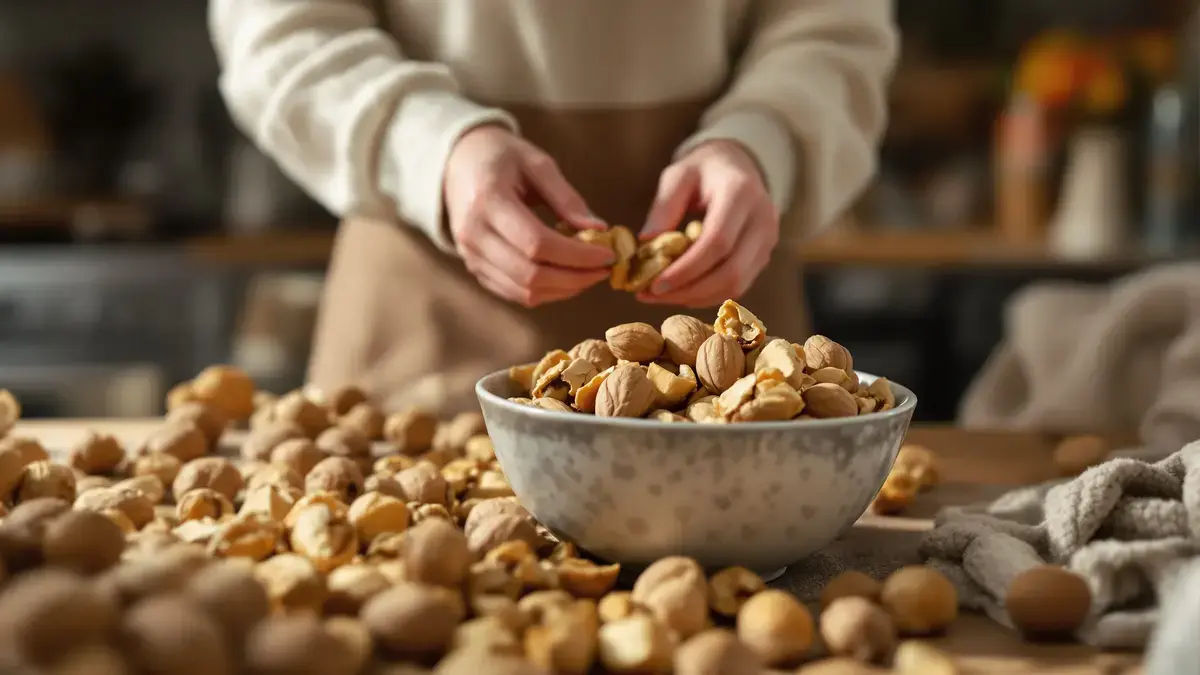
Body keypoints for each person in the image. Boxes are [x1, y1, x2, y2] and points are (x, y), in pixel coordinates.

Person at [209, 0, 898, 415]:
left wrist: (764, 138)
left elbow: (834, 23)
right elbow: (277, 24)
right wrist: (431, 147)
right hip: (421, 348)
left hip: (728, 388)